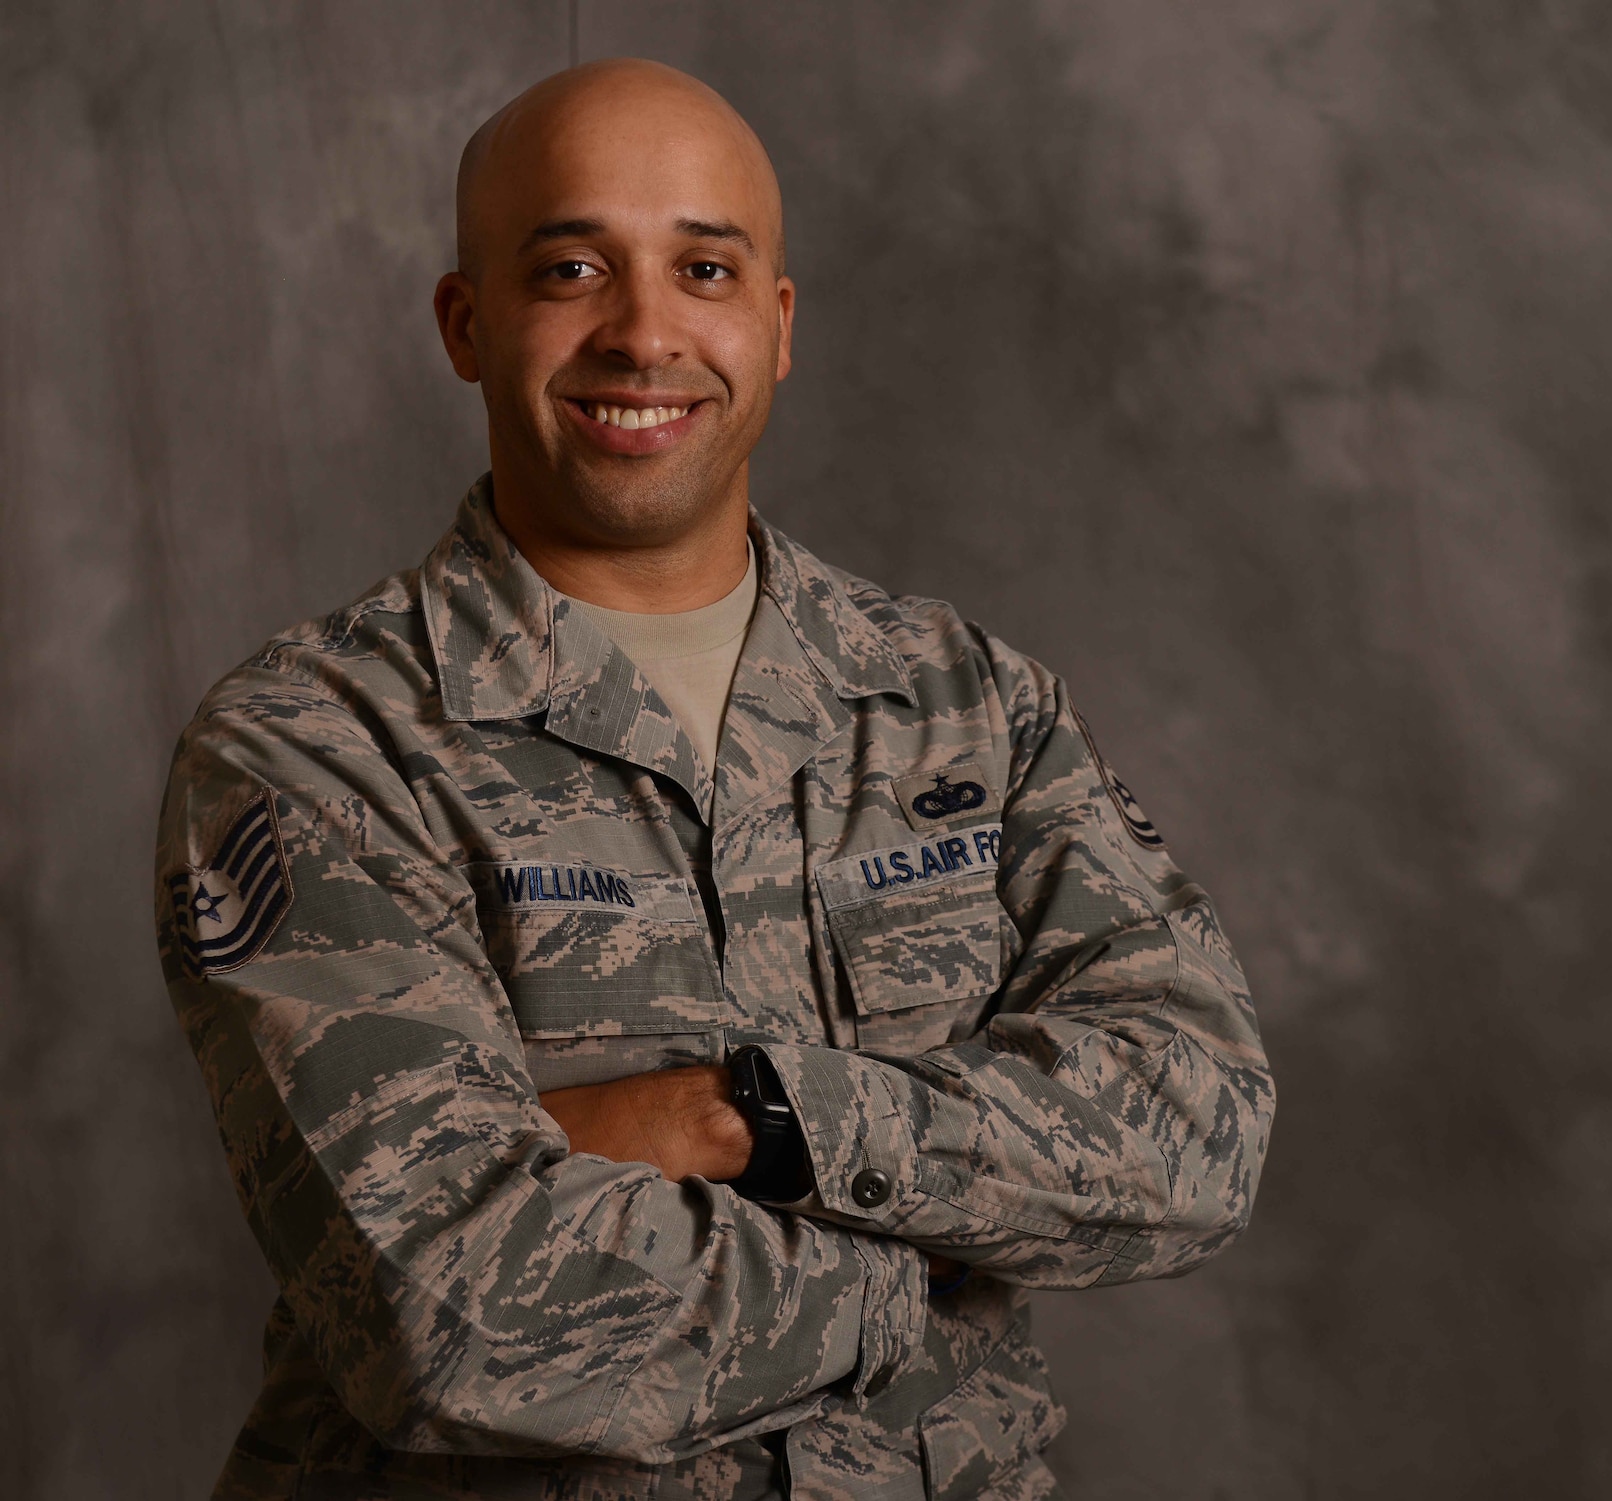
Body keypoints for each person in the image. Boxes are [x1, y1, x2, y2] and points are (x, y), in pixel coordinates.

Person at [154, 59, 1274, 1501]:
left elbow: (1199, 1129)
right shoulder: (313, 743)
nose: (644, 331)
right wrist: (935, 1267)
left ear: (779, 323)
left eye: (703, 266)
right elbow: (447, 1312)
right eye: (572, 266)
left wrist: (742, 1114)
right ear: (465, 320)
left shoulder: (965, 705)